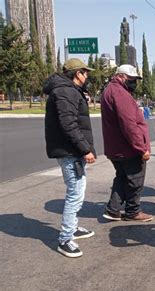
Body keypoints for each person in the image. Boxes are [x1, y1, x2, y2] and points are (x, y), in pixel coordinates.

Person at [43, 58, 96, 258]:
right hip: (70, 152)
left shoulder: (68, 91)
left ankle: (72, 228)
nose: (87, 76)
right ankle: (65, 238)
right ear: (77, 74)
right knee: (76, 192)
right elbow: (69, 125)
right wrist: (85, 149)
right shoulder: (65, 91)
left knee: (77, 190)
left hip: (71, 150)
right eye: (85, 72)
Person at [100, 64, 153, 222]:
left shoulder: (111, 90)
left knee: (122, 177)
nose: (134, 83)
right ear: (122, 77)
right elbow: (129, 124)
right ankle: (133, 211)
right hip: (127, 149)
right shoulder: (120, 93)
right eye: (132, 79)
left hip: (117, 148)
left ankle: (113, 209)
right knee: (135, 179)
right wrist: (141, 147)